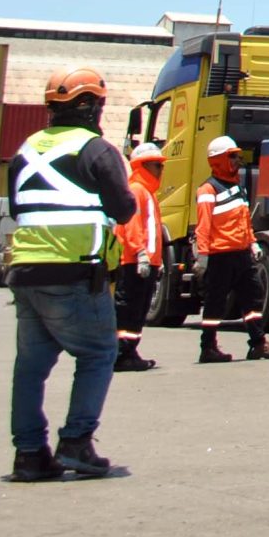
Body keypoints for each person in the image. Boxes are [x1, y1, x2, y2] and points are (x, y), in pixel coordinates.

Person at [5, 66, 137, 483]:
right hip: (75, 272)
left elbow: (18, 208)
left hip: (26, 273)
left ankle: (29, 455)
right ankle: (76, 442)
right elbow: (123, 210)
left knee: (30, 366)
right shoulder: (96, 150)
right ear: (90, 106)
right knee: (98, 354)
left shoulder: (25, 149)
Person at [194, 135, 269, 364]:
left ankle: (258, 344)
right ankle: (208, 348)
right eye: (232, 156)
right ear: (219, 160)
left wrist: (252, 243)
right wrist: (202, 256)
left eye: (237, 156)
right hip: (220, 256)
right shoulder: (208, 189)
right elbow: (203, 226)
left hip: (242, 254)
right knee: (215, 303)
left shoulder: (237, 187)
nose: (237, 160)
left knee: (253, 298)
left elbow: (244, 221)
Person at [111, 143, 166, 373]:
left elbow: (152, 231)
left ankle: (129, 352)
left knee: (138, 311)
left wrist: (156, 261)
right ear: (142, 166)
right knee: (129, 309)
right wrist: (141, 253)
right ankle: (120, 354)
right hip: (134, 262)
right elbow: (132, 226)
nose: (161, 170)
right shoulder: (136, 190)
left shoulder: (148, 193)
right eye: (157, 165)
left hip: (145, 262)